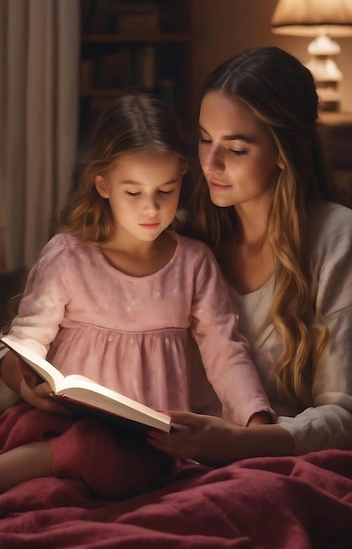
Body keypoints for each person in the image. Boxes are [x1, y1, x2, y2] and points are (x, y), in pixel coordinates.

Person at [0, 90, 273, 498]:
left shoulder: (194, 262)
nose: (151, 208)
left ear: (183, 178)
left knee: (135, 463)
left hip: (152, 440)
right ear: (103, 185)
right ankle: (43, 461)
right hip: (68, 423)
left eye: (166, 191)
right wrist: (28, 388)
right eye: (134, 193)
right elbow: (21, 344)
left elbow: (225, 350)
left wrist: (258, 427)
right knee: (92, 444)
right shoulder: (70, 255)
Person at [147, 46, 352, 466]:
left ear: (285, 151)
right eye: (204, 140)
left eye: (236, 149)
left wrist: (242, 444)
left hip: (277, 466)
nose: (210, 163)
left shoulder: (336, 240)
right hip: (170, 462)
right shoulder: (179, 236)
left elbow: (343, 417)